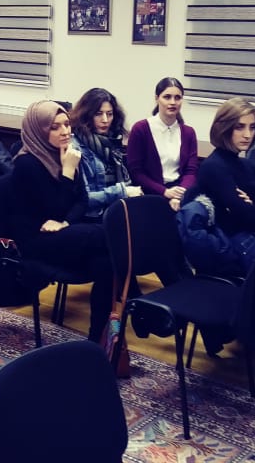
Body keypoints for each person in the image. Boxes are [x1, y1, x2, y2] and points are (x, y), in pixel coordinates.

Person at [10, 100, 112, 341]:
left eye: (67, 124)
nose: (65, 131)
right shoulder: (27, 164)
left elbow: (82, 201)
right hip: (35, 240)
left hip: (61, 232)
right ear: (39, 131)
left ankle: (97, 338)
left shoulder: (65, 154)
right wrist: (67, 173)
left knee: (106, 263)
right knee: (103, 234)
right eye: (55, 127)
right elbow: (54, 208)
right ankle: (134, 300)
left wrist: (65, 223)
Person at [191, 98, 255, 235]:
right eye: (239, 127)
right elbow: (247, 216)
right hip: (230, 241)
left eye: (252, 127)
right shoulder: (213, 167)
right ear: (224, 128)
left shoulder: (248, 165)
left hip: (251, 236)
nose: (247, 135)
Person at [69, 87, 141, 219]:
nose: (105, 120)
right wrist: (122, 191)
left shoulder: (114, 142)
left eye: (109, 114)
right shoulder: (75, 147)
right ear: (86, 115)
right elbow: (83, 199)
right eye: (98, 114)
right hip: (93, 216)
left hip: (116, 211)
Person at [126, 77, 198, 201]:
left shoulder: (189, 133)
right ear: (157, 98)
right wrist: (164, 192)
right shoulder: (140, 129)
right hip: (150, 193)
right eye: (167, 97)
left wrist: (180, 193)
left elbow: (191, 171)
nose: (173, 102)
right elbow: (136, 173)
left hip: (180, 193)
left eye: (177, 97)